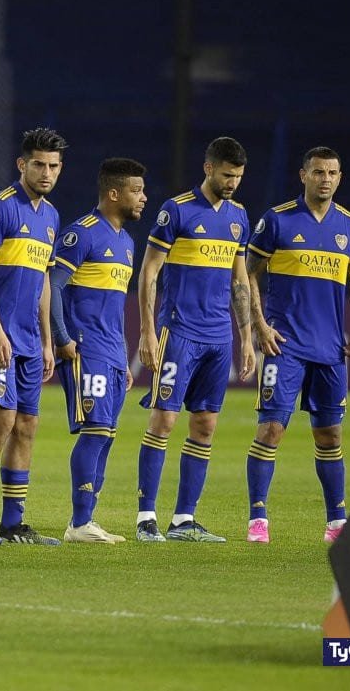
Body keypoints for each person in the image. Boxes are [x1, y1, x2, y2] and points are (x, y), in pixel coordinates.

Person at [244, 146, 350, 544]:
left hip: (331, 349)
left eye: (332, 173)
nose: (325, 179)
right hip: (284, 346)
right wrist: (259, 325)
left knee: (330, 435)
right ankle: (258, 519)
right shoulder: (277, 220)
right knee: (271, 429)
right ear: (303, 175)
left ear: (340, 177)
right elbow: (247, 275)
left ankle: (336, 523)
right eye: (318, 172)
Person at [135, 137, 255, 543]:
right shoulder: (177, 210)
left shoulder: (239, 217)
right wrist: (147, 330)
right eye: (226, 175)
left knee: (205, 425)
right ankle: (146, 518)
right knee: (164, 420)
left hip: (219, 337)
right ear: (208, 168)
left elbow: (240, 280)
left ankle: (184, 520)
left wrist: (246, 338)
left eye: (238, 177)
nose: (232, 182)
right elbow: (149, 271)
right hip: (179, 331)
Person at [0, 129, 66, 546]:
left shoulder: (51, 217)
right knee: (1, 422)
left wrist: (46, 341)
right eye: (38, 164)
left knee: (27, 426)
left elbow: (42, 282)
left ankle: (13, 522)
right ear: (22, 165)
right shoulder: (0, 208)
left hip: (29, 342)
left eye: (53, 166)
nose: (46, 172)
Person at [50, 158, 147, 544]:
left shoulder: (126, 242)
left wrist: (123, 358)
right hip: (85, 349)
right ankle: (79, 523)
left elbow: (115, 308)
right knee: (94, 431)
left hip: (111, 355)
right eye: (136, 191)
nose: (143, 197)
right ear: (114, 194)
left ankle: (87, 519)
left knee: (106, 435)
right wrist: (62, 338)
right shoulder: (82, 234)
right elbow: (53, 286)